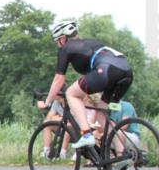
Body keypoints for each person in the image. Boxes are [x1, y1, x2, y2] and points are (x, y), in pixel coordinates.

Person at [41, 19, 133, 152]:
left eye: (57, 41)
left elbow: (58, 80)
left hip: (107, 71)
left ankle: (86, 134)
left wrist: (48, 101)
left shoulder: (66, 48)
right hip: (126, 72)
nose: (58, 45)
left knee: (71, 93)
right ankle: (122, 152)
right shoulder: (91, 42)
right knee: (101, 112)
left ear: (62, 39)